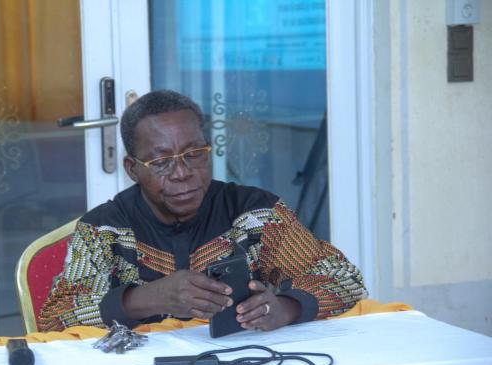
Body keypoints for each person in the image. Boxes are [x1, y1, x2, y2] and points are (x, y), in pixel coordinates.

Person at [38, 90, 367, 332]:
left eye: (194, 154)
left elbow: (346, 280)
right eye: (161, 162)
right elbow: (55, 318)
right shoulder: (104, 228)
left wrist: (286, 307)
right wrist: (148, 298)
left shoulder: (255, 213)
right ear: (132, 169)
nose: (182, 173)